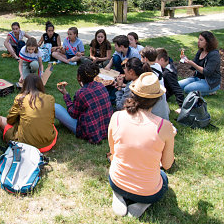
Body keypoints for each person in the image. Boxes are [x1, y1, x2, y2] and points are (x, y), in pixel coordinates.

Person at [107, 72, 176, 218]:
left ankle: (119, 194)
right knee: (163, 177)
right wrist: (169, 139)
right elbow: (168, 164)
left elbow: (113, 152)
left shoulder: (117, 117)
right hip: (148, 191)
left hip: (116, 180)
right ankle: (141, 203)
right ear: (157, 99)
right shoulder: (165, 126)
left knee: (117, 165)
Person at [55, 62, 113, 144]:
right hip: (105, 128)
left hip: (88, 131)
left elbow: (73, 113)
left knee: (55, 107)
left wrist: (66, 95)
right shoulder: (101, 86)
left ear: (79, 77)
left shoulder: (81, 93)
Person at [3, 74, 57, 152]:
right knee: (52, 127)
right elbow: (51, 120)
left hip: (26, 146)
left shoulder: (20, 98)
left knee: (6, 125)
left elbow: (10, 121)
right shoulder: (50, 98)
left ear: (25, 85)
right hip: (47, 144)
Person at [179, 31, 221, 95]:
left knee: (187, 89)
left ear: (207, 42)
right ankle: (199, 89)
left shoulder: (214, 54)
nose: (198, 41)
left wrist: (193, 64)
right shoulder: (200, 51)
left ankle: (210, 92)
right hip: (197, 78)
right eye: (198, 39)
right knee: (177, 85)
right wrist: (186, 60)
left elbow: (207, 72)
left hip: (210, 82)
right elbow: (193, 66)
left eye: (201, 40)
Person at [140, 47, 170, 120]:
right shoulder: (157, 66)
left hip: (154, 102)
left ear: (145, 59)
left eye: (141, 57)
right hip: (162, 99)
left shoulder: (148, 73)